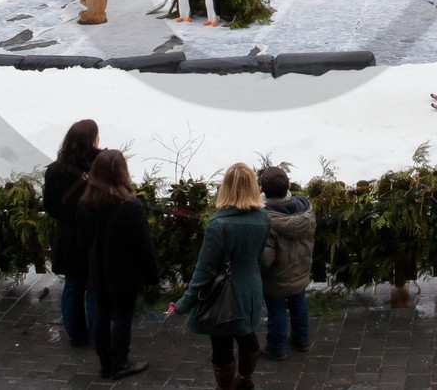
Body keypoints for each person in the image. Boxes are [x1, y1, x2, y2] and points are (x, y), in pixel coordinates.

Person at [170, 163, 272, 390]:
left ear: (226, 188)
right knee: (247, 335)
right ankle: (245, 381)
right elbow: (259, 258)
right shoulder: (263, 219)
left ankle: (225, 386)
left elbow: (203, 272)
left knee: (222, 345)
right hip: (251, 290)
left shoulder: (218, 225)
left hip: (223, 296)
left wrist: (183, 304)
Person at [76, 149, 158, 380]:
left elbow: (82, 240)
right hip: (125, 273)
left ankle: (105, 364)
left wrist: (88, 265)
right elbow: (143, 245)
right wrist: (152, 275)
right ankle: (119, 363)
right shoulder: (129, 206)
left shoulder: (85, 203)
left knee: (101, 314)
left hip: (98, 271)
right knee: (122, 316)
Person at [43, 120, 102, 347]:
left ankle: (77, 335)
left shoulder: (54, 170)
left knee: (73, 286)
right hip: (94, 235)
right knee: (94, 287)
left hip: (68, 238)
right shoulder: (101, 164)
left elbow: (50, 206)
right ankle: (98, 332)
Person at [258, 167, 315, 360]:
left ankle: (276, 348)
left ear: (261, 190)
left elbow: (267, 258)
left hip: (275, 278)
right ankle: (302, 341)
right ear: (289, 185)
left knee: (276, 311)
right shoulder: (305, 209)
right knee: (299, 305)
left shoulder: (265, 219)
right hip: (300, 271)